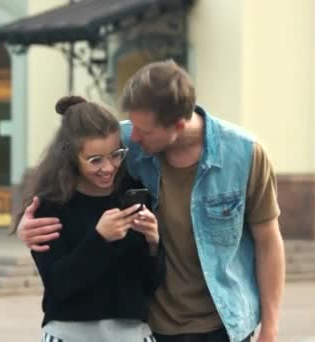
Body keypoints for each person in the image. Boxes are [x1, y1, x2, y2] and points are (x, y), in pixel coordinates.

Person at [17, 60, 285, 342]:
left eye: (143, 131)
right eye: (131, 125)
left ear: (178, 125)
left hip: (227, 325)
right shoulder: (121, 144)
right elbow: (69, 156)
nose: (132, 137)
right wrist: (27, 221)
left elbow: (268, 241)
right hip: (152, 327)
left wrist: (270, 327)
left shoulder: (245, 155)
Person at [15, 95, 166, 342]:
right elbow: (58, 285)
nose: (108, 168)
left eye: (116, 155)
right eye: (95, 160)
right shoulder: (50, 206)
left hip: (131, 333)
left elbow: (149, 285)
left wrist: (153, 244)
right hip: (70, 332)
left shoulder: (132, 194)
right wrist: (99, 238)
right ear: (70, 156)